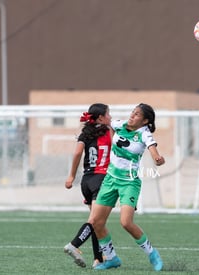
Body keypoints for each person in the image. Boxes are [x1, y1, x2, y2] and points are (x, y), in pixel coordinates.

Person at [88, 103, 165, 271]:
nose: (132, 115)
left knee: (126, 222)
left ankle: (153, 254)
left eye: (137, 114)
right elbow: (104, 122)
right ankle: (112, 259)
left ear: (144, 121)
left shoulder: (145, 134)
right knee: (95, 222)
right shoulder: (118, 124)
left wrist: (157, 158)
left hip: (129, 182)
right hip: (110, 180)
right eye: (133, 112)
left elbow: (153, 150)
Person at [64, 103, 112, 268]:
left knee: (97, 222)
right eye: (108, 114)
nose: (110, 117)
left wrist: (71, 175)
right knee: (95, 220)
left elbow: (77, 152)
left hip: (87, 180)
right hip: (101, 179)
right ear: (100, 117)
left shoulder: (85, 133)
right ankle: (74, 245)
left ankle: (98, 258)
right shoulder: (108, 130)